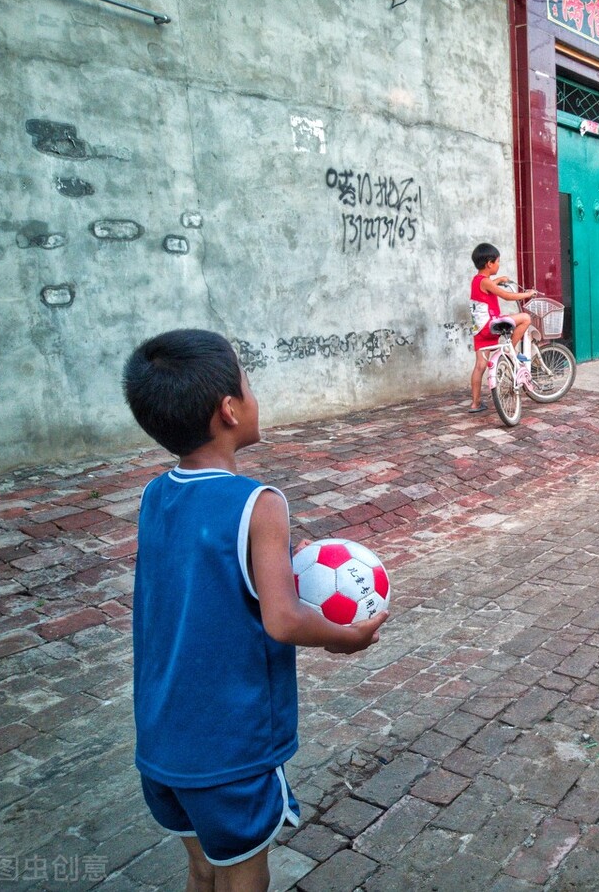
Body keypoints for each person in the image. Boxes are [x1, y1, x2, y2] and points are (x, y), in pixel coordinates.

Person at [122, 329, 390, 892]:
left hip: (163, 739)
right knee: (243, 876)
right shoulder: (259, 503)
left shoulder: (155, 494)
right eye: (248, 383)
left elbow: (200, 584)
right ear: (228, 409)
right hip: (231, 748)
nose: (253, 395)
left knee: (200, 870)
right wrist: (346, 637)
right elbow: (284, 620)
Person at [469, 242, 535, 414]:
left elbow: (489, 285)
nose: (499, 264)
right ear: (489, 263)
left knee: (480, 366)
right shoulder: (487, 283)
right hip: (491, 325)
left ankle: (475, 403)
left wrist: (499, 279)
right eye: (498, 262)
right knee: (525, 318)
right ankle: (509, 351)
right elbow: (506, 296)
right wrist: (527, 294)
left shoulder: (478, 281)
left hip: (479, 330)